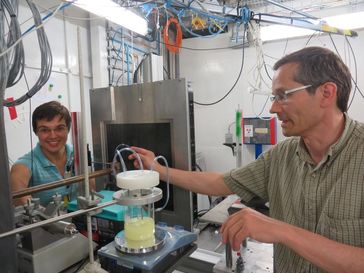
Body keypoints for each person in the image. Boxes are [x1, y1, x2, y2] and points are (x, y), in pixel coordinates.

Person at [129, 47, 364, 273]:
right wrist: (157, 169)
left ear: (326, 93)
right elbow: (220, 182)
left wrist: (281, 230)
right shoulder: (280, 157)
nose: (273, 108)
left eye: (283, 96)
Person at [11, 101, 76, 207]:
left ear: (68, 129)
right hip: (48, 223)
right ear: (36, 132)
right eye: (45, 130)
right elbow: (18, 195)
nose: (53, 136)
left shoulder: (80, 155)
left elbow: (96, 189)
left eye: (59, 128)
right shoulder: (23, 165)